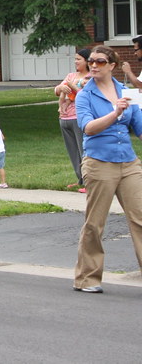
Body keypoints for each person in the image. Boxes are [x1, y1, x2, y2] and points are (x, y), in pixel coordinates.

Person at [73, 45, 142, 293]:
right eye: (91, 61)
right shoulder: (85, 95)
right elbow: (88, 128)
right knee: (95, 223)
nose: (94, 65)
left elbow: (139, 127)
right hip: (99, 163)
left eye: (100, 62)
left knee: (140, 218)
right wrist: (115, 113)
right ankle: (87, 278)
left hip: (129, 162)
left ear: (112, 65)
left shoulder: (126, 91)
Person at [56, 49, 91, 192]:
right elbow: (57, 91)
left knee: (83, 150)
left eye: (78, 59)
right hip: (64, 118)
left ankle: (89, 182)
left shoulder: (90, 77)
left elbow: (85, 95)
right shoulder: (71, 75)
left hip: (78, 118)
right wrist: (61, 87)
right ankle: (80, 179)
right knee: (73, 151)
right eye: (75, 59)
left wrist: (71, 86)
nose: (76, 61)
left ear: (87, 61)